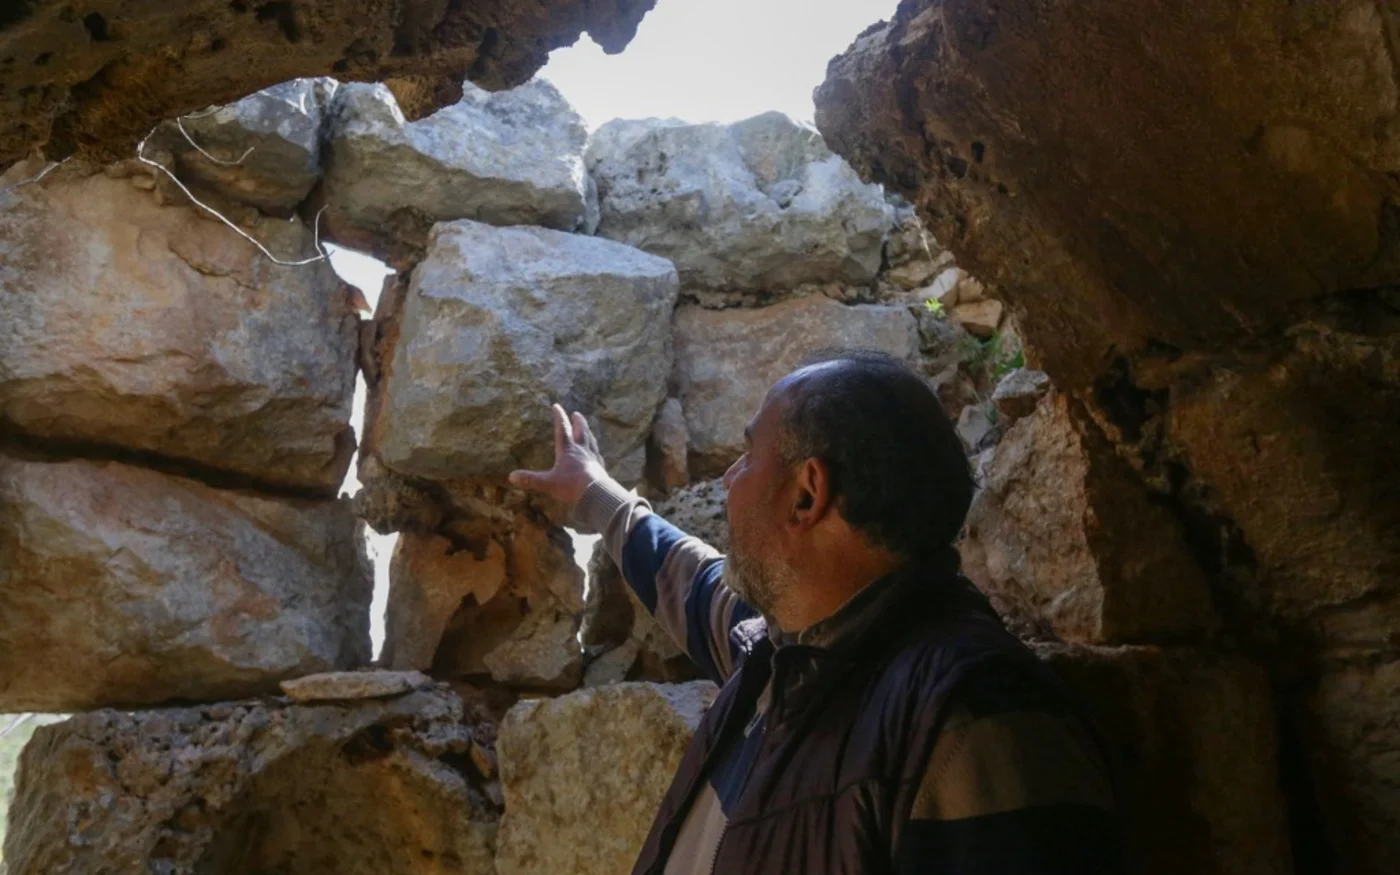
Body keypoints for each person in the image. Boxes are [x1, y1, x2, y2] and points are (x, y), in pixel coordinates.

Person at [509, 350, 1122, 874]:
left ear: (807, 494)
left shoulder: (971, 722)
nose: (728, 480)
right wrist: (596, 494)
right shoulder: (782, 657)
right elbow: (691, 582)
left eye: (748, 455)